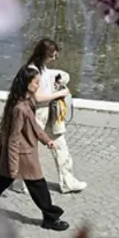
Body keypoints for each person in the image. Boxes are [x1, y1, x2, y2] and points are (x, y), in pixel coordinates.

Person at [0, 66, 69, 231]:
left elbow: (34, 126)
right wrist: (13, 164)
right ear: (27, 83)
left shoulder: (25, 102)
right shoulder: (20, 108)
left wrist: (46, 140)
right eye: (36, 82)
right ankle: (50, 218)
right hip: (23, 156)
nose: (38, 85)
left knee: (2, 182)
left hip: (25, 153)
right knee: (39, 186)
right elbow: (14, 138)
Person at [24, 38, 88, 193]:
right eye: (52, 55)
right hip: (37, 113)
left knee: (60, 145)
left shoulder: (42, 68)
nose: (55, 58)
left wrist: (58, 80)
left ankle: (68, 182)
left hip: (49, 112)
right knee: (29, 147)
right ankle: (22, 182)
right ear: (44, 54)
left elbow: (46, 82)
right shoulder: (33, 70)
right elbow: (38, 98)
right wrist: (60, 93)